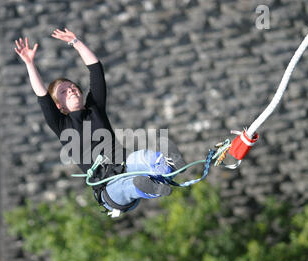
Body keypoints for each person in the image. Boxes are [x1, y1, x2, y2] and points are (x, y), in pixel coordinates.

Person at [15, 28, 186, 216]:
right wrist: (30, 63)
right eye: (64, 92)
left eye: (73, 87)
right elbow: (42, 95)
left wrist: (76, 42)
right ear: (59, 106)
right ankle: (147, 187)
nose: (71, 90)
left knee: (144, 155)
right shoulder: (61, 125)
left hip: (125, 165)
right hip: (108, 187)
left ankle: (166, 168)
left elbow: (96, 69)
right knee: (130, 184)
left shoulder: (95, 108)